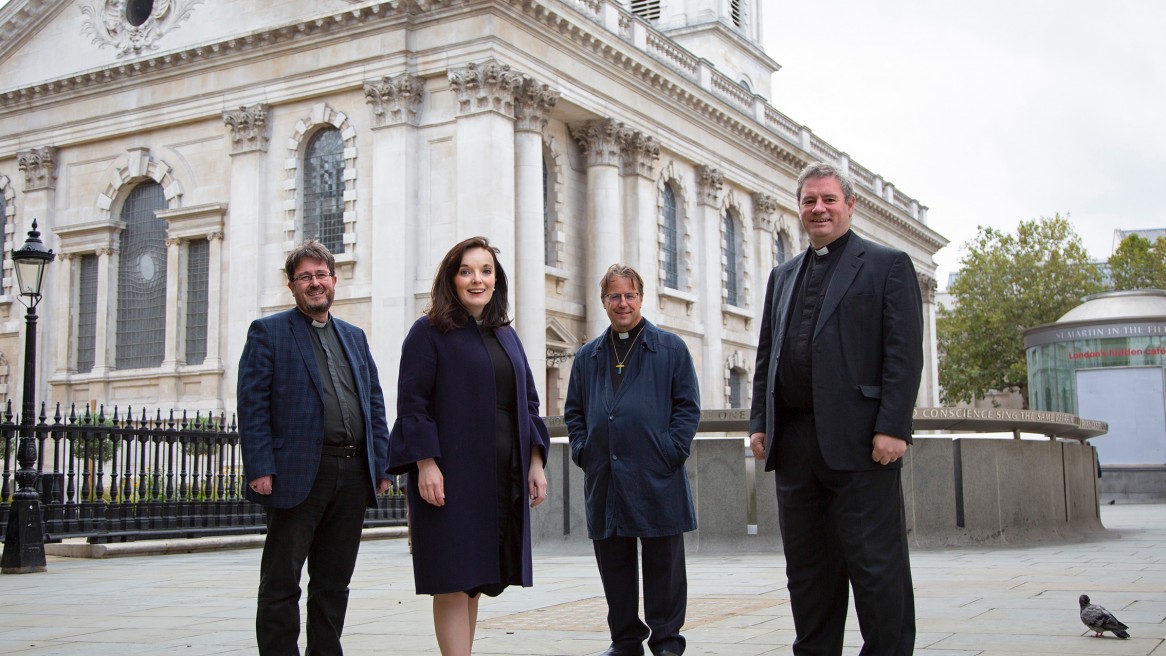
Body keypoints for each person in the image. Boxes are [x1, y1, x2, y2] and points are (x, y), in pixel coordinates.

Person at [749, 161, 924, 656]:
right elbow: (769, 354)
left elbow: (904, 353)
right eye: (809, 201)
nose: (818, 209)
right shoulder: (782, 276)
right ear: (799, 207)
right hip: (797, 449)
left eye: (828, 199)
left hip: (863, 445)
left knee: (875, 571)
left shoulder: (887, 264)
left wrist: (893, 426)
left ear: (850, 205)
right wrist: (761, 422)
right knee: (807, 574)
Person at [387, 236, 550, 656]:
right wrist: (425, 463)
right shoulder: (428, 332)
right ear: (452, 279)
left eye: (485, 271)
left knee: (475, 580)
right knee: (453, 579)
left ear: (496, 280)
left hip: (498, 476)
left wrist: (535, 462)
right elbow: (412, 404)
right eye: (466, 271)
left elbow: (528, 402)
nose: (476, 279)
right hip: (451, 476)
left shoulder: (505, 335)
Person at [238, 239, 394, 656]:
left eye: (321, 275)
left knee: (334, 580)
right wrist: (259, 467)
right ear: (292, 286)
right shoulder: (268, 332)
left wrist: (381, 464)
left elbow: (373, 402)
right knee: (281, 579)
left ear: (334, 281)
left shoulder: (355, 337)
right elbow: (252, 404)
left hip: (351, 474)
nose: (314, 283)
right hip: (296, 473)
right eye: (305, 277)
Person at [565, 264, 701, 656]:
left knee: (664, 565)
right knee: (615, 565)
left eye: (630, 295)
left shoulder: (670, 348)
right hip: (605, 474)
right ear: (603, 301)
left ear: (641, 298)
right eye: (614, 296)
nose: (622, 303)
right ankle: (625, 640)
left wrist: (670, 450)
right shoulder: (588, 355)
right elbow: (574, 411)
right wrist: (583, 449)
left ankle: (667, 642)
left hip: (656, 473)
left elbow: (687, 408)